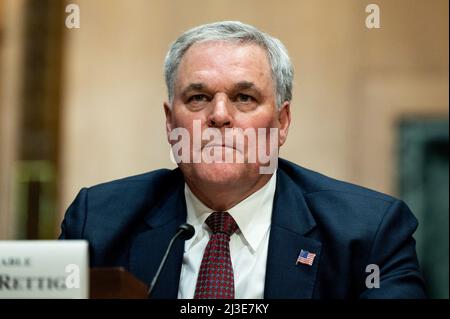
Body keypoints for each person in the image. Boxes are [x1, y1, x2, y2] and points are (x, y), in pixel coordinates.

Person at [59, 21, 426, 299]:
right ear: (171, 122)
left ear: (281, 123)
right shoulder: (98, 223)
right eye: (199, 97)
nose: (219, 115)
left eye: (244, 98)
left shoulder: (368, 233)